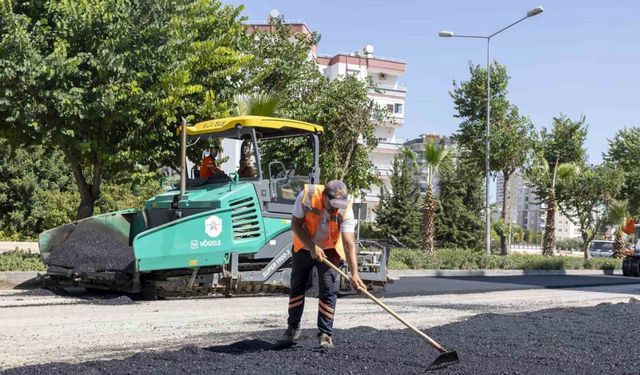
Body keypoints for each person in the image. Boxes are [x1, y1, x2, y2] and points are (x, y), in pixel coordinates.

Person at [273, 180, 366, 350]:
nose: (335, 209)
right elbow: (295, 225)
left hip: (330, 248)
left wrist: (355, 273)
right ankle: (292, 330)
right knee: (297, 286)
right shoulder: (307, 196)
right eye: (332, 205)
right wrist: (312, 247)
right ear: (323, 197)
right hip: (304, 245)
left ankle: (325, 334)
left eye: (338, 205)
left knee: (329, 288)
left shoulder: (346, 208)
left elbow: (349, 243)